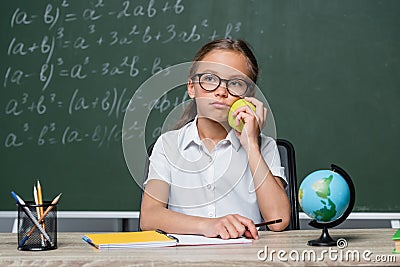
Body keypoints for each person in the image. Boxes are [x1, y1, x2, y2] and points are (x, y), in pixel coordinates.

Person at [140, 39, 291, 239]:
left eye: (236, 83)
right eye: (210, 79)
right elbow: (149, 217)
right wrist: (209, 225)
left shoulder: (265, 146)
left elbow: (279, 221)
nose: (221, 91)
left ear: (249, 95)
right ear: (192, 87)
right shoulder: (168, 145)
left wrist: (251, 146)